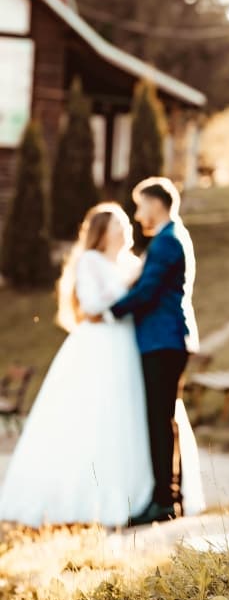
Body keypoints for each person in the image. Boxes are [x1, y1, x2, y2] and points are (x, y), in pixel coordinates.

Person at [0, 203, 155, 527]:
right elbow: (91, 304)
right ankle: (81, 497)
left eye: (126, 222)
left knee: (124, 414)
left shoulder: (130, 262)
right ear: (104, 232)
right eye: (119, 224)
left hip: (126, 343)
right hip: (98, 346)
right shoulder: (90, 261)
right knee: (89, 414)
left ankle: (132, 491)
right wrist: (126, 290)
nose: (126, 228)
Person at [103, 177, 202, 526]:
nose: (137, 212)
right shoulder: (171, 237)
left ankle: (164, 501)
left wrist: (106, 312)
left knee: (159, 421)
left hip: (163, 340)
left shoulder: (167, 241)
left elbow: (146, 293)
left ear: (157, 204)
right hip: (165, 340)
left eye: (140, 204)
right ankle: (172, 496)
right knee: (164, 419)